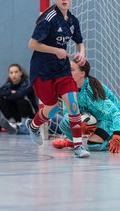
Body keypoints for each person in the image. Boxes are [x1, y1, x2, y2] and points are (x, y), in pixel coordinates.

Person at [26, 0, 89, 158]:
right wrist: (56, 50)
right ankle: (33, 126)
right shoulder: (48, 17)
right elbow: (32, 44)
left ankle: (78, 146)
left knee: (73, 104)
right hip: (42, 71)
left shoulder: (73, 20)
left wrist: (81, 53)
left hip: (62, 70)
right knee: (52, 108)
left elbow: (80, 42)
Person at [53, 59, 120, 153]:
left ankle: (109, 141)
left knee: (93, 146)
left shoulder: (92, 90)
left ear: (82, 73)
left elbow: (116, 113)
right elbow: (67, 113)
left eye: (71, 70)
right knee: (65, 122)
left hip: (108, 119)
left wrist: (116, 136)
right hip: (91, 116)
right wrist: (79, 123)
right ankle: (74, 143)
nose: (67, 73)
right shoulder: (68, 89)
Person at [0, 63, 38, 134]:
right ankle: (13, 123)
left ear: (20, 73)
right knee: (0, 100)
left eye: (16, 72)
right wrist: (10, 92)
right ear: (9, 75)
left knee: (21, 101)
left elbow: (19, 95)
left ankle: (24, 125)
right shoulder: (8, 84)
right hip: (17, 115)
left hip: (30, 114)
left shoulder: (28, 83)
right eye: (11, 73)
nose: (13, 75)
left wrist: (7, 95)